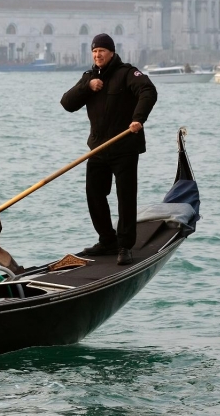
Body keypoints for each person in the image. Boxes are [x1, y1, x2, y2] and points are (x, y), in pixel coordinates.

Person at [60, 33, 157, 265]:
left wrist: (138, 118)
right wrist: (87, 86)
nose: (97, 55)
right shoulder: (89, 78)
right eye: (94, 51)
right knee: (94, 194)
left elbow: (148, 91)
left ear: (111, 52)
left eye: (102, 51)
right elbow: (67, 103)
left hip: (125, 146)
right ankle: (107, 240)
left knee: (125, 197)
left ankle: (125, 246)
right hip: (98, 149)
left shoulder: (127, 73)